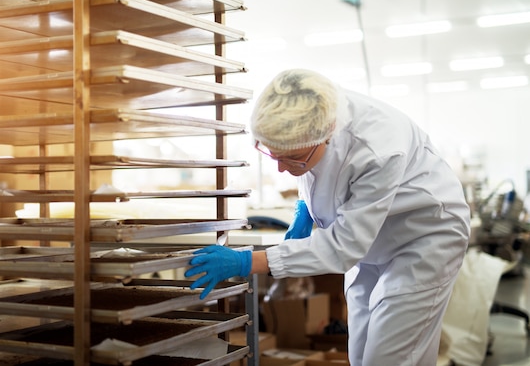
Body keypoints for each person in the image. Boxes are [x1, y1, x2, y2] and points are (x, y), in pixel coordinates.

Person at [185, 68, 471, 366]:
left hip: (423, 237)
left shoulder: (378, 148)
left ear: (327, 135)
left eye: (292, 159)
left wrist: (248, 261)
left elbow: (343, 246)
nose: (282, 168)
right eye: (273, 155)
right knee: (361, 353)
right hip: (372, 242)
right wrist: (306, 208)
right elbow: (320, 170)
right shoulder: (308, 115)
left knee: (390, 356)